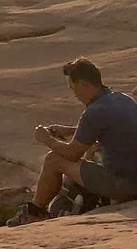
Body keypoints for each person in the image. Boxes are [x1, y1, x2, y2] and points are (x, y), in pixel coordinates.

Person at [13, 58, 137, 223]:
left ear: (83, 84)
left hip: (125, 184)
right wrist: (70, 130)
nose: (74, 95)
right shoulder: (122, 99)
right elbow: (110, 129)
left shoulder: (95, 111)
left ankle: (34, 213)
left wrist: (47, 139)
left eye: (73, 89)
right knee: (91, 153)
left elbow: (72, 154)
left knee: (53, 159)